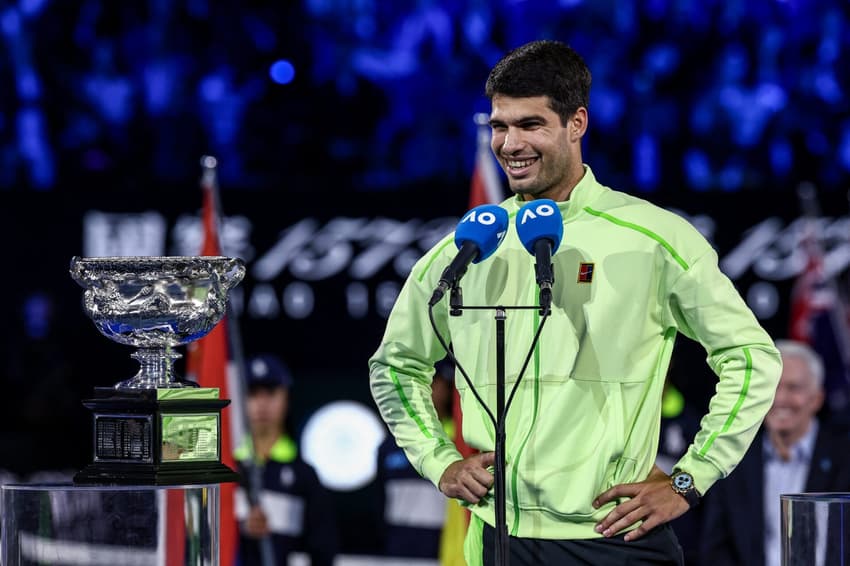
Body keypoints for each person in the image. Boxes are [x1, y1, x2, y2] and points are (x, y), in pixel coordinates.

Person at [368, 39, 783, 566]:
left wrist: (688, 479)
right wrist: (439, 460)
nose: (510, 144)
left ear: (577, 123)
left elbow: (751, 359)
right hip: (495, 539)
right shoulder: (466, 249)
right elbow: (395, 365)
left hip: (616, 539)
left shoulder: (652, 238)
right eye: (500, 125)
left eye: (530, 124)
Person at [699, 339, 850, 566]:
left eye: (793, 388)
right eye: (772, 388)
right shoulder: (733, 459)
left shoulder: (845, 458)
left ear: (817, 398)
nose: (780, 399)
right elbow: (715, 548)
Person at [234, 353, 339, 566]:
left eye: (271, 392)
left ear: (286, 398)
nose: (262, 403)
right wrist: (241, 528)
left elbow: (323, 549)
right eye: (253, 393)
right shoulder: (225, 468)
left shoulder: (304, 475)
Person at [374, 358, 455, 558]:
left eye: (440, 383)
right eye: (428, 381)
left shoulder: (461, 442)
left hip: (446, 551)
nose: (434, 389)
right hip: (397, 550)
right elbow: (378, 503)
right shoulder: (391, 444)